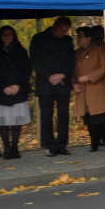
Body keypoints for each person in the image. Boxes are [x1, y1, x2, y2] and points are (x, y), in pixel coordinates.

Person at [30, 16, 75, 156]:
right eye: (62, 30)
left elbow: (71, 60)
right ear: (55, 26)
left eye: (66, 31)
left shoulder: (68, 41)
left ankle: (62, 143)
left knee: (63, 115)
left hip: (63, 82)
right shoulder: (39, 38)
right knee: (46, 115)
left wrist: (63, 75)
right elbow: (35, 60)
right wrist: (50, 76)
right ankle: (50, 145)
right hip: (45, 83)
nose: (63, 33)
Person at [0, 25, 32, 160]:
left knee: (17, 120)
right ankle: (6, 147)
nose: (7, 37)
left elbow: (27, 70)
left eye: (10, 34)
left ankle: (15, 146)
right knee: (4, 121)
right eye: (4, 34)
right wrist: (2, 87)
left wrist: (18, 85)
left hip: (18, 89)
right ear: (0, 36)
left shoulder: (20, 51)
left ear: (14, 36)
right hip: (1, 90)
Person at [71, 26, 105, 153]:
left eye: (81, 37)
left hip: (97, 89)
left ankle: (104, 139)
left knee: (99, 117)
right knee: (88, 118)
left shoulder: (99, 50)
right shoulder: (76, 53)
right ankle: (94, 142)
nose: (78, 39)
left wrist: (89, 77)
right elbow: (70, 70)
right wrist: (73, 83)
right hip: (82, 90)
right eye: (77, 37)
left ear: (89, 38)